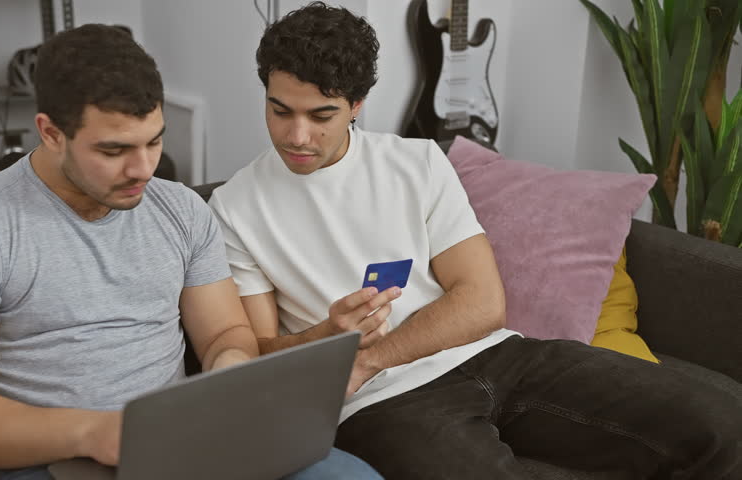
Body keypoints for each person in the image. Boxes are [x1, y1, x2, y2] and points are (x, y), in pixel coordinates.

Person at [208, 3, 742, 479]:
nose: (297, 136)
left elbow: (483, 302)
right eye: (281, 111)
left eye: (320, 115)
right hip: (381, 406)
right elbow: (257, 351)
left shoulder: (416, 163)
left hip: (500, 357)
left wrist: (371, 356)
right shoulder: (234, 207)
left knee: (723, 424)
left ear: (357, 105)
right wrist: (327, 334)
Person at [0, 24, 381, 480]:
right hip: (49, 459)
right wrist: (95, 432)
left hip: (182, 441)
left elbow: (225, 332)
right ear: (50, 132)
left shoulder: (182, 210)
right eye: (113, 151)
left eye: (154, 141)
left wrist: (231, 372)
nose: (143, 169)